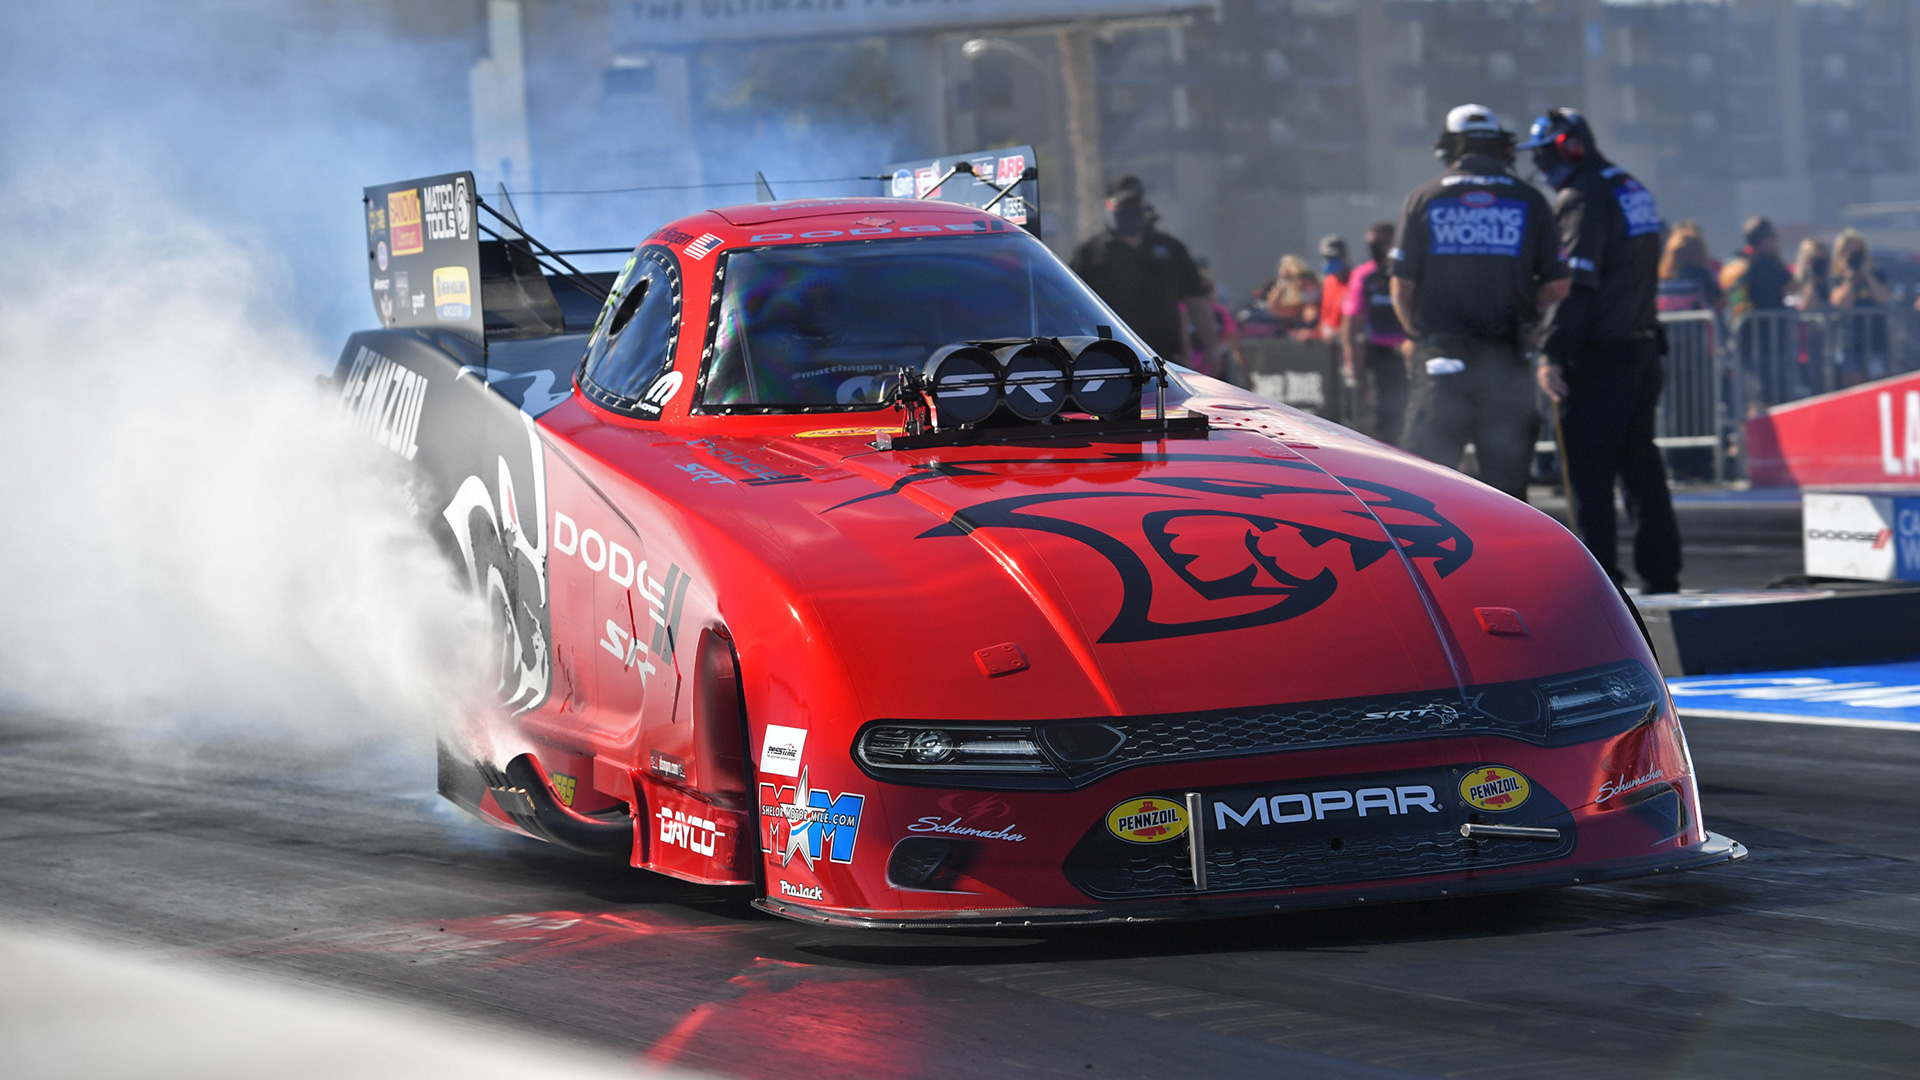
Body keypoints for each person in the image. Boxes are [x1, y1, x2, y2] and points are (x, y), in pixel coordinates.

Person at [1526, 106, 1681, 594]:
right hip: (1642, 348)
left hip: (1600, 356)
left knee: (1588, 474)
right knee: (1641, 465)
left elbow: (1578, 285)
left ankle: (1601, 586)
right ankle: (1662, 574)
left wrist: (1552, 351)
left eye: (1547, 154)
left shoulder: (1583, 196)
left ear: (1569, 147)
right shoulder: (1631, 186)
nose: (1545, 167)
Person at [1389, 103, 1569, 500]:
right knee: (1506, 492)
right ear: (1502, 148)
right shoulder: (1530, 200)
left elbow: (1401, 288)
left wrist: (1418, 335)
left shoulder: (1423, 198)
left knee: (1423, 486)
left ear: (1447, 148)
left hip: (1441, 356)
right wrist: (1527, 310)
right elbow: (1558, 286)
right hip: (1506, 360)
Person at [1070, 175, 1218, 368]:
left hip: (1165, 359)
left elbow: (1196, 302)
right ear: (1108, 206)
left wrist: (1212, 349)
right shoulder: (1090, 254)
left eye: (1135, 203)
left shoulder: (1171, 249)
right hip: (1109, 358)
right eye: (1123, 205)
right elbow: (1070, 303)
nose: (1130, 210)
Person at [1341, 221, 1409, 444]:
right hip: (1380, 354)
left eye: (1380, 243)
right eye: (1371, 244)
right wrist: (1352, 361)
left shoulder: (1410, 269)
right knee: (1382, 412)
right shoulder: (1364, 276)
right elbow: (1351, 320)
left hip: (1412, 353)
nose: (1376, 248)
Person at [1829, 228, 1891, 383]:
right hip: (1850, 344)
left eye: (1858, 253)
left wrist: (1867, 273)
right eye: (1849, 253)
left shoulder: (1877, 275)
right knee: (1854, 389)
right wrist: (1849, 278)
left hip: (1876, 342)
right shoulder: (1837, 279)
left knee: (1878, 386)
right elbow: (1842, 303)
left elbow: (1883, 298)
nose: (1854, 257)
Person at [1720, 216, 1791, 317]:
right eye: (1773, 236)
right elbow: (1791, 285)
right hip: (1768, 325)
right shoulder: (1767, 263)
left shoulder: (1735, 260)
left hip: (1746, 325)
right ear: (1764, 239)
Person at [1655, 222, 1722, 314]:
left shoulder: (1664, 277)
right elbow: (1719, 301)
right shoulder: (1701, 274)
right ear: (1699, 249)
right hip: (1699, 327)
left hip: (1669, 327)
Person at [1266, 255, 1322, 338]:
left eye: (1307, 286)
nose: (1305, 290)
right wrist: (1283, 281)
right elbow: (1274, 307)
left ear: (1316, 284)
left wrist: (1313, 334)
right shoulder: (1300, 308)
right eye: (1301, 288)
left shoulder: (1326, 304)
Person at [1317, 235, 1350, 343]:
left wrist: (1337, 332)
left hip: (1348, 341)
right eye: (1326, 258)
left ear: (1345, 257)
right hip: (1329, 344)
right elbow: (1325, 314)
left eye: (1333, 257)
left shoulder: (1355, 282)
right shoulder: (1328, 282)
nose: (1329, 261)